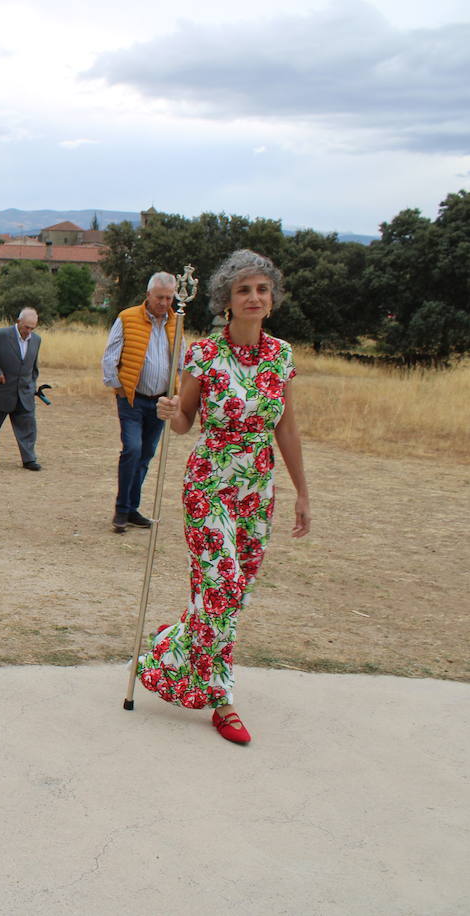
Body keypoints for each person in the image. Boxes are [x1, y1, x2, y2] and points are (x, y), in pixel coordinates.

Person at [139, 249, 311, 745]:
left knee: (233, 596)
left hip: (257, 489)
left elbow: (289, 429)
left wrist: (303, 492)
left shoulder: (282, 357)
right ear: (226, 302)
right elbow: (183, 421)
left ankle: (173, 647)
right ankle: (222, 699)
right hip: (209, 481)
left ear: (271, 299)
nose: (254, 297)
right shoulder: (204, 354)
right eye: (243, 290)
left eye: (261, 289)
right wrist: (169, 409)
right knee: (224, 587)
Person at [102, 271, 179, 533]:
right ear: (148, 295)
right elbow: (110, 356)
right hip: (133, 400)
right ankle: (121, 510)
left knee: (146, 455)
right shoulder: (127, 318)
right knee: (132, 450)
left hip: (160, 402)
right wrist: (119, 388)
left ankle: (132, 508)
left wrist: (178, 391)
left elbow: (180, 361)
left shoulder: (176, 323)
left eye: (169, 298)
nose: (164, 303)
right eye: (160, 297)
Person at [0, 307, 42, 470]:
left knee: (28, 426)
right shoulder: (1, 335)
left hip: (25, 392)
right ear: (19, 321)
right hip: (2, 390)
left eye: (32, 328)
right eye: (26, 327)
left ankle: (29, 458)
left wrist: (32, 384)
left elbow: (33, 365)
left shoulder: (36, 340)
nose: (28, 331)